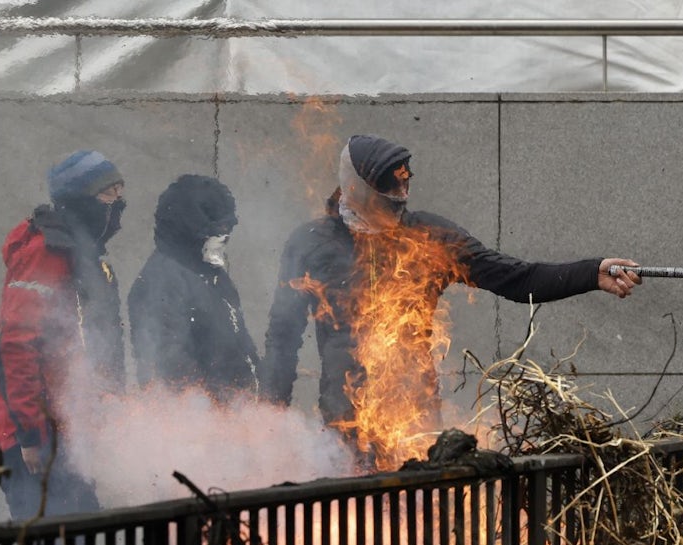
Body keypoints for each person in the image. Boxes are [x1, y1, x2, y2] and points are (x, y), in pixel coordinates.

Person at [260, 134, 641, 470]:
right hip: (345, 421)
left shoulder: (430, 235)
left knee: (417, 521)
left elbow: (517, 278)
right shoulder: (311, 243)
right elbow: (282, 337)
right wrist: (270, 419)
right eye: (386, 196)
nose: (397, 206)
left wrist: (591, 273)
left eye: (402, 194)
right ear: (355, 190)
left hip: (416, 415)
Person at [0, 149, 127, 520]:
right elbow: (16, 344)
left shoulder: (84, 255)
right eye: (107, 194)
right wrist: (32, 437)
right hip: (38, 438)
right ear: (80, 199)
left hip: (69, 431)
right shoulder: (46, 252)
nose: (118, 203)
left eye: (119, 191)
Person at [128, 174, 260, 402]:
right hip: (200, 425)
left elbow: (240, 346)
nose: (225, 235)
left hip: (236, 419)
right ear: (190, 227)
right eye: (218, 227)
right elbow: (170, 369)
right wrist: (215, 418)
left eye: (228, 226)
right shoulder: (163, 281)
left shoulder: (211, 274)